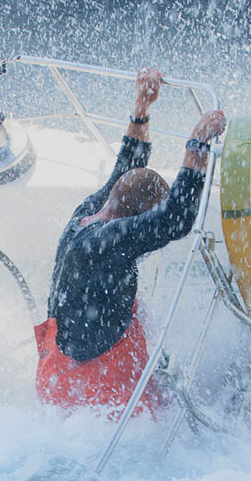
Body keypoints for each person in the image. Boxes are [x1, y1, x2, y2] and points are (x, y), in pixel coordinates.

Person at [34, 68, 226, 415]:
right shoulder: (110, 241)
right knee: (171, 411)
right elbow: (176, 218)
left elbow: (128, 164)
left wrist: (143, 105)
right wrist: (197, 143)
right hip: (92, 390)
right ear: (132, 222)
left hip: (53, 376)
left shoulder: (89, 213)